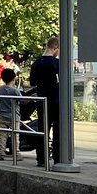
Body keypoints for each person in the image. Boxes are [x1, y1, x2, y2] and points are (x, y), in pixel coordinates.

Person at [30, 35, 61, 168]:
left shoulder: (36, 63)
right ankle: (58, 157)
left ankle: (41, 158)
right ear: (55, 48)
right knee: (58, 130)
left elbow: (32, 82)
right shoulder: (56, 63)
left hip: (42, 101)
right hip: (56, 100)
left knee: (43, 129)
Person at [0, 66, 23, 156]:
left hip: (3, 116)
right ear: (14, 78)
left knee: (3, 135)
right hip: (14, 116)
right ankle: (16, 153)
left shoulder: (0, 89)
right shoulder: (15, 91)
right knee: (15, 136)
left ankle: (1, 152)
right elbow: (22, 101)